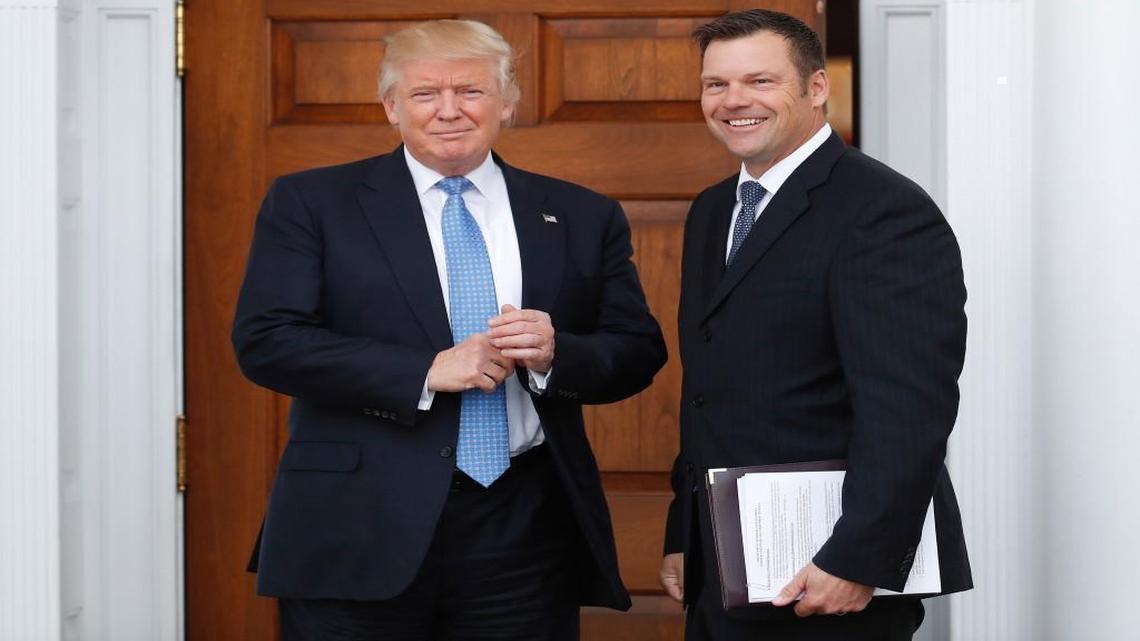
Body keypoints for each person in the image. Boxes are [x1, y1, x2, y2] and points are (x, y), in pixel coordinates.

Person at [232, 19, 666, 640]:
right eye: (425, 94)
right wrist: (425, 371)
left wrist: (554, 353)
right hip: (358, 524)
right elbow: (267, 342)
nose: (448, 111)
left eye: (470, 91)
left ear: (507, 103)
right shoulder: (311, 203)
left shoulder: (579, 213)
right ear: (391, 106)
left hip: (522, 526)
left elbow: (636, 350)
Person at [658, 9, 971, 640]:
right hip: (727, 562)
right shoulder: (713, 210)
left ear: (817, 87)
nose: (733, 101)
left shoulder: (883, 211)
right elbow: (708, 392)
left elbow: (908, 408)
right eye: (715, 84)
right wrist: (686, 533)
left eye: (760, 81)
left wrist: (857, 558)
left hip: (827, 572)